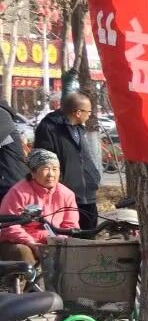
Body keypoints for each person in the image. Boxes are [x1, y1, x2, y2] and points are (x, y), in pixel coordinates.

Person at [0, 147, 80, 273]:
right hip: (20, 241)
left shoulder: (67, 194)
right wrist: (31, 243)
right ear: (33, 172)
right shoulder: (18, 192)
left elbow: (70, 225)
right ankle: (25, 284)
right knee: (22, 253)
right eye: (46, 169)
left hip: (52, 241)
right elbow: (10, 226)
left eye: (55, 169)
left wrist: (58, 240)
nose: (51, 174)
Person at [35, 89, 103, 230]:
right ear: (78, 113)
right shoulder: (49, 128)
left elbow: (85, 158)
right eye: (89, 112)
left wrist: (94, 177)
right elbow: (44, 162)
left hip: (87, 194)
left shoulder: (79, 128)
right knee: (69, 236)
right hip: (65, 196)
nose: (89, 115)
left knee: (90, 236)